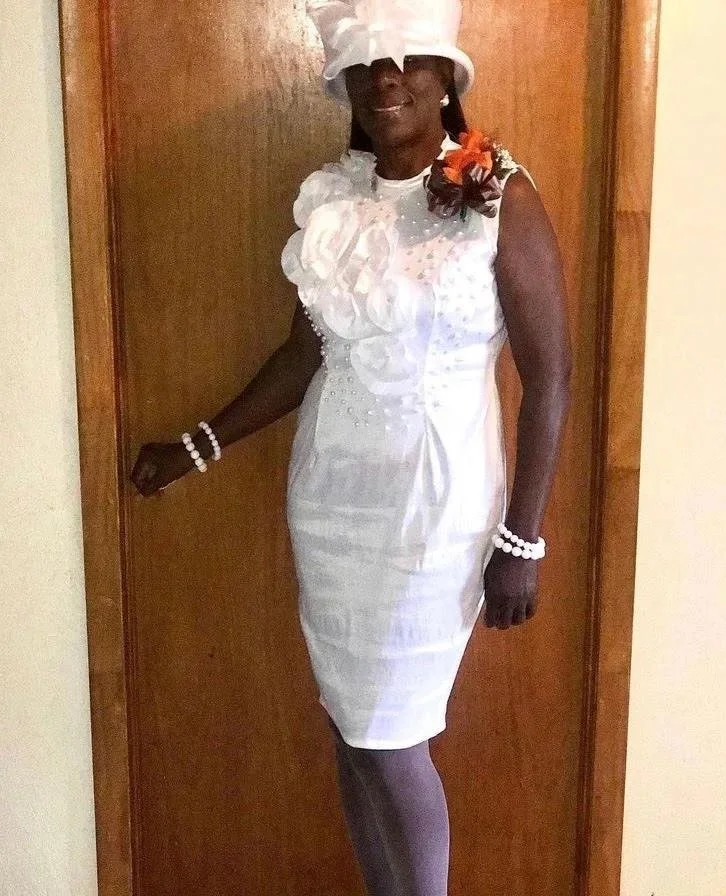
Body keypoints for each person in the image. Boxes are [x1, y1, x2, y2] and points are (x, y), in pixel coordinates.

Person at [131, 1, 572, 893]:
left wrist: (522, 540)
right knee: (353, 731)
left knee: (390, 736)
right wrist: (199, 445)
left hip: (434, 510)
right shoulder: (333, 203)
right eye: (365, 66)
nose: (387, 79)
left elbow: (551, 375)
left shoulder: (499, 196)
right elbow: (305, 356)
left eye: (409, 59)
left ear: (448, 75)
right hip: (331, 504)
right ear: (344, 85)